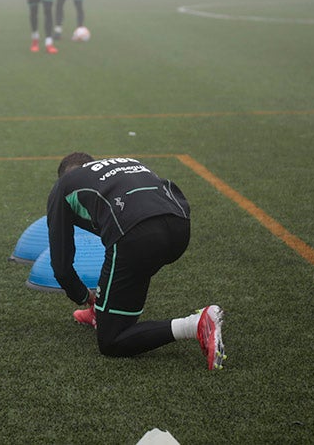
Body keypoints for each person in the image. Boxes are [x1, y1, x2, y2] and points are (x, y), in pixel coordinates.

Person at [45, 152, 225, 369]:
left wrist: (83, 295)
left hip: (137, 236)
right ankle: (103, 310)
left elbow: (61, 267)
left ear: (61, 177)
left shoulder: (63, 186)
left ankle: (194, 324)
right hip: (179, 227)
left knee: (111, 341)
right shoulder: (125, 163)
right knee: (131, 270)